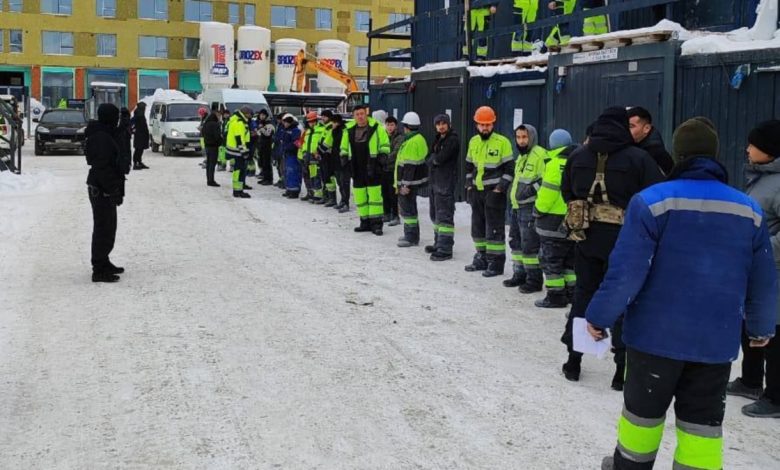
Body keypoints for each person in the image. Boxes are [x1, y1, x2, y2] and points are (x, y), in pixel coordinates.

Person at [589, 117, 777, 470]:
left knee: (641, 420)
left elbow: (626, 272)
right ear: (714, 154)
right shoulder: (747, 209)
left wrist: (599, 316)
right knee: (702, 427)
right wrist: (761, 326)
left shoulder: (651, 202)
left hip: (653, 340)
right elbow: (764, 276)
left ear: (678, 154)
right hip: (715, 343)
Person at [560, 107, 664, 388]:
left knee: (584, 295)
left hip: (586, 238)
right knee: (624, 299)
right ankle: (621, 370)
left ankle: (574, 361)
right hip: (624, 240)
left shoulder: (578, 156)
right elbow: (656, 195)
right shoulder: (639, 158)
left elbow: (566, 191)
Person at [727, 119, 780, 418]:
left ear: (769, 149)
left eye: (752, 144)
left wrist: (760, 252)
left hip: (774, 272)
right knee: (750, 326)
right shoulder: (761, 177)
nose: (747, 149)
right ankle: (750, 380)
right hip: (756, 270)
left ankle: (775, 396)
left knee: (774, 334)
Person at [464, 106, 514, 277]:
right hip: (477, 192)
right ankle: (481, 257)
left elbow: (509, 170)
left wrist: (499, 189)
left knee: (494, 228)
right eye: (482, 125)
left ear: (493, 124)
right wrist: (469, 186)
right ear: (476, 124)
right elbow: (469, 166)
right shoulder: (473, 142)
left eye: (488, 125)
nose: (485, 128)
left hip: (495, 193)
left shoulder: (503, 142)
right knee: (477, 227)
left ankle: (496, 263)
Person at [534, 129, 577, 308]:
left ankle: (555, 296)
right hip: (572, 219)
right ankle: (572, 293)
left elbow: (548, 192)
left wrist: (538, 210)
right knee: (568, 260)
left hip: (551, 221)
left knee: (550, 260)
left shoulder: (554, 164)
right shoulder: (577, 161)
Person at [85, 104, 125, 283]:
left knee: (109, 227)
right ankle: (99, 269)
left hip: (104, 188)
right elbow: (103, 168)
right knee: (103, 228)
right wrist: (113, 189)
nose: (117, 120)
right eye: (115, 117)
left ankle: (104, 260)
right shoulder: (101, 137)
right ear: (108, 117)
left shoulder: (105, 132)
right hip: (101, 189)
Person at [505, 124, 546, 291]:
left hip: (529, 207)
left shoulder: (540, 155)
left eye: (525, 137)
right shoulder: (521, 157)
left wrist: (526, 193)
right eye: (519, 137)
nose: (521, 141)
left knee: (529, 245)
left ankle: (534, 280)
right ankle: (519, 274)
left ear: (532, 137)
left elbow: (544, 181)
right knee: (516, 241)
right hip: (516, 207)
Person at [340, 105, 390, 236]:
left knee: (375, 197)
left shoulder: (377, 127)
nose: (360, 116)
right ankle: (364, 222)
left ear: (366, 114)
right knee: (360, 197)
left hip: (373, 166)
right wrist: (344, 159)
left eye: (362, 114)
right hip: (356, 167)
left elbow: (385, 145)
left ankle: (377, 224)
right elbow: (344, 147)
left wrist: (381, 159)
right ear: (354, 116)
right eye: (357, 114)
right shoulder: (348, 129)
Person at [427, 113, 460, 262]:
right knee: (436, 215)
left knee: (445, 215)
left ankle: (445, 249)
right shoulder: (438, 139)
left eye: (443, 123)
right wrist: (433, 159)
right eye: (438, 124)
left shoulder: (452, 139)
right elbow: (431, 158)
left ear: (449, 124)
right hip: (436, 182)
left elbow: (439, 159)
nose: (441, 126)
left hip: (446, 182)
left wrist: (434, 159)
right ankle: (438, 243)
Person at [395, 112, 429, 248]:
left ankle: (411, 237)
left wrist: (405, 184)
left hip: (408, 183)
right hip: (413, 182)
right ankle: (411, 235)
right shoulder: (419, 139)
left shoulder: (411, 142)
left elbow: (409, 166)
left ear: (407, 126)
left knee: (408, 211)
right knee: (411, 210)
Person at [627, 106, 674, 175]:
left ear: (647, 128)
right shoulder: (633, 145)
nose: (626, 130)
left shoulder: (656, 153)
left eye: (631, 126)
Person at [226, 106, 253, 198]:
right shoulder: (240, 122)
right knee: (240, 171)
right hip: (238, 151)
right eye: (250, 114)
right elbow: (239, 139)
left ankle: (238, 190)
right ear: (246, 113)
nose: (251, 116)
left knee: (238, 170)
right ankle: (238, 191)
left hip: (236, 150)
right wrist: (244, 152)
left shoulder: (236, 120)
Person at [328, 114, 351, 213]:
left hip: (343, 161)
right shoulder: (335, 131)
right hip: (336, 160)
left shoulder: (343, 131)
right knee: (339, 182)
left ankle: (346, 202)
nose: (331, 124)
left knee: (344, 182)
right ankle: (342, 200)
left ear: (337, 122)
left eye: (332, 122)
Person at [299, 111, 324, 203]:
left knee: (316, 176)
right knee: (309, 176)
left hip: (316, 156)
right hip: (308, 157)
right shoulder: (308, 131)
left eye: (313, 121)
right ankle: (312, 194)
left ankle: (318, 195)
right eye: (310, 121)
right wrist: (304, 153)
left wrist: (318, 152)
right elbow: (304, 144)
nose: (311, 123)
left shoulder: (321, 130)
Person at [383, 116, 403, 226]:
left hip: (393, 169)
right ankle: (386, 213)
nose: (389, 127)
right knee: (384, 192)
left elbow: (396, 152)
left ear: (395, 126)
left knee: (393, 193)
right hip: (383, 169)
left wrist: (384, 159)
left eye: (392, 125)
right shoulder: (383, 136)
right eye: (388, 125)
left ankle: (395, 215)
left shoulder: (399, 137)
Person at [317, 110, 338, 206]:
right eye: (322, 116)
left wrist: (319, 150)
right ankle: (327, 197)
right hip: (323, 155)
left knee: (329, 177)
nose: (322, 118)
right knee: (324, 177)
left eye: (324, 117)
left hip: (328, 156)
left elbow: (327, 143)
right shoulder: (325, 127)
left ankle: (332, 198)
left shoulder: (330, 127)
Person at [280, 114, 303, 199]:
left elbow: (295, 143)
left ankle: (294, 191)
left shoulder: (295, 130)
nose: (284, 124)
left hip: (293, 154)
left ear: (289, 123)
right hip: (287, 153)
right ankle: (289, 189)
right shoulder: (286, 130)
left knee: (293, 172)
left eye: (285, 123)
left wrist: (287, 147)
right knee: (287, 172)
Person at [201, 106, 222, 187]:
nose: (219, 117)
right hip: (213, 147)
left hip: (207, 146)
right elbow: (218, 136)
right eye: (219, 115)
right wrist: (220, 141)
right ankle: (211, 180)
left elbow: (202, 133)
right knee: (212, 164)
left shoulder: (206, 124)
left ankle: (209, 180)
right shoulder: (215, 124)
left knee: (209, 164)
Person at [256, 109, 275, 186]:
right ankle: (264, 177)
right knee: (262, 162)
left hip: (267, 146)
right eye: (260, 115)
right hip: (261, 145)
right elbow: (258, 134)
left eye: (263, 115)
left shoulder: (269, 123)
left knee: (267, 163)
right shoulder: (261, 123)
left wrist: (261, 128)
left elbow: (268, 134)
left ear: (266, 116)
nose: (261, 116)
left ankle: (269, 179)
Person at [131, 102, 150, 170]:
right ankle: (135, 163)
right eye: (144, 107)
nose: (145, 108)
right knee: (138, 149)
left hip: (142, 134)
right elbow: (132, 122)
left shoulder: (141, 113)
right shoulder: (138, 114)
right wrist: (131, 129)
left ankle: (139, 162)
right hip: (139, 135)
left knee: (140, 149)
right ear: (142, 107)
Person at [117, 107, 133, 177]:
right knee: (127, 150)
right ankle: (128, 162)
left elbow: (122, 127)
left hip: (124, 136)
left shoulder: (123, 118)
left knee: (125, 150)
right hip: (126, 136)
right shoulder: (127, 117)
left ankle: (127, 162)